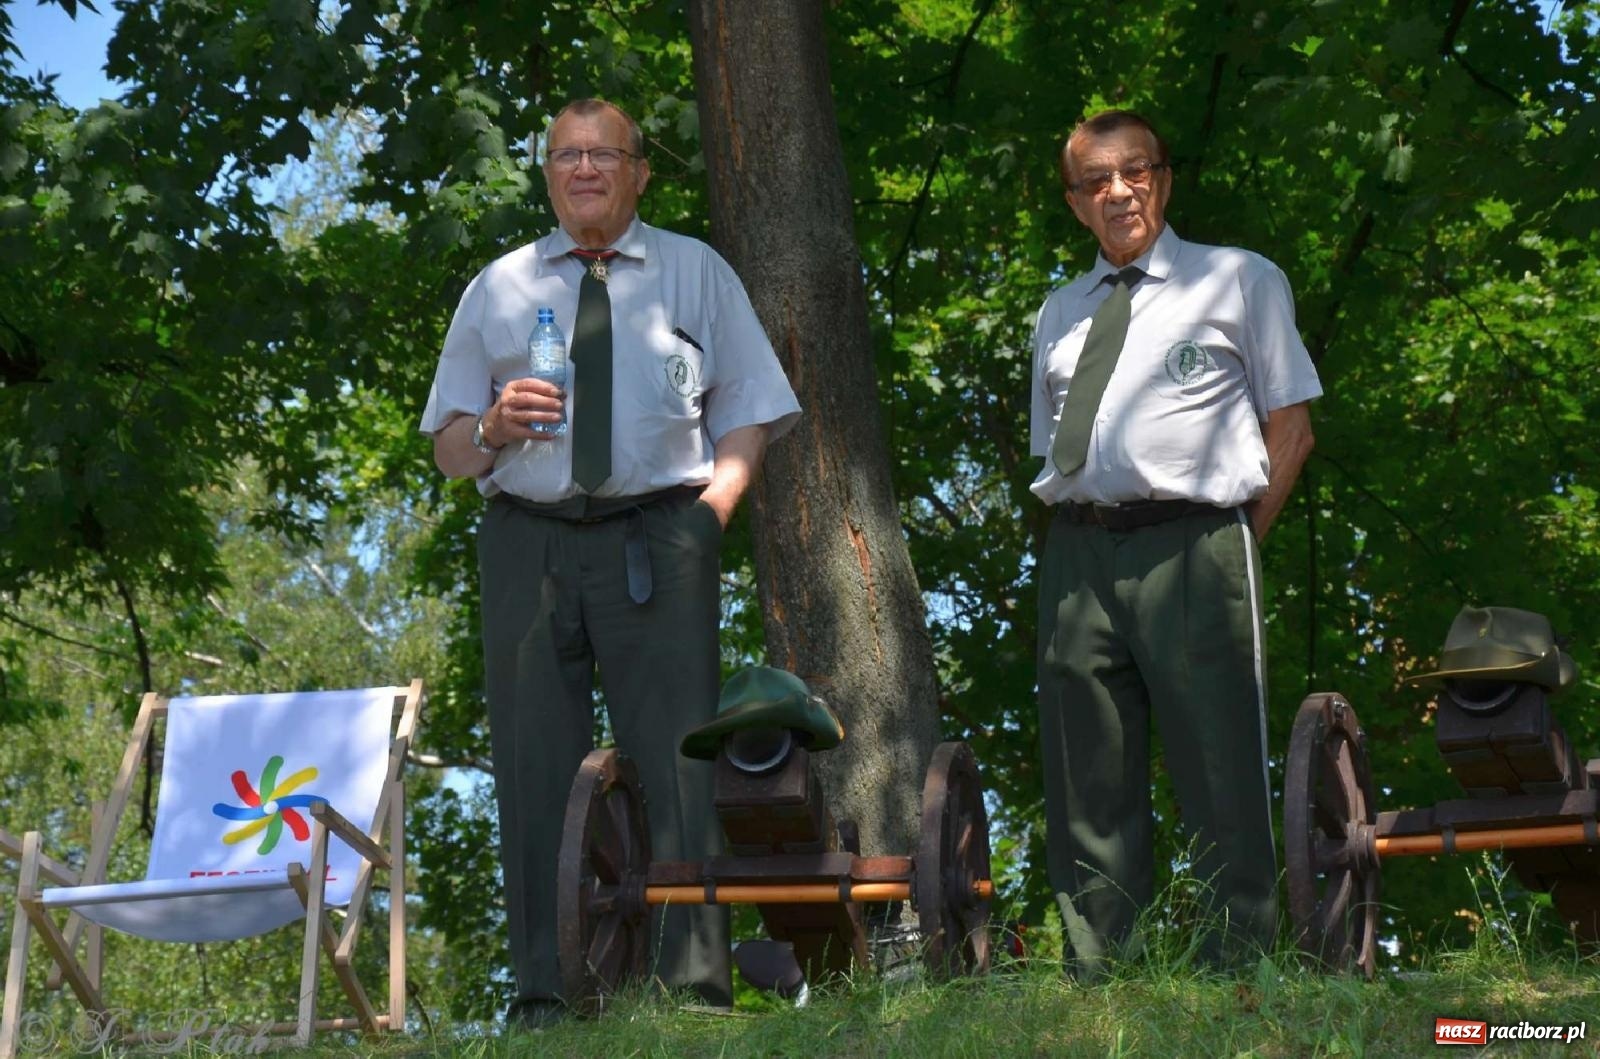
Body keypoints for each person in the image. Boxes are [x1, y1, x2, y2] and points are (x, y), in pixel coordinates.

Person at [420, 98, 801, 1024]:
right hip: (528, 537)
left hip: (660, 530)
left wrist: (713, 512)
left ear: (640, 172)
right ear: (547, 173)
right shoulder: (499, 285)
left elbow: (749, 406)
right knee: (532, 762)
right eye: (566, 155)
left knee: (678, 756)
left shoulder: (695, 271)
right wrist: (493, 425)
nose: (584, 169)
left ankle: (692, 987)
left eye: (604, 154)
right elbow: (448, 449)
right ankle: (548, 994)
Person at [1029, 109, 1320, 973]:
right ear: (1075, 202)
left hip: (1199, 541)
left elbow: (1292, 430)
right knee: (1086, 766)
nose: (1119, 192)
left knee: (1218, 758)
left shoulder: (1238, 278)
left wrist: (1235, 545)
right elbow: (1055, 453)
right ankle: (1101, 969)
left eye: (1136, 171)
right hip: (1080, 550)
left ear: (1164, 178)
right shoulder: (1059, 312)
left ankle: (1240, 962)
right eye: (1096, 181)